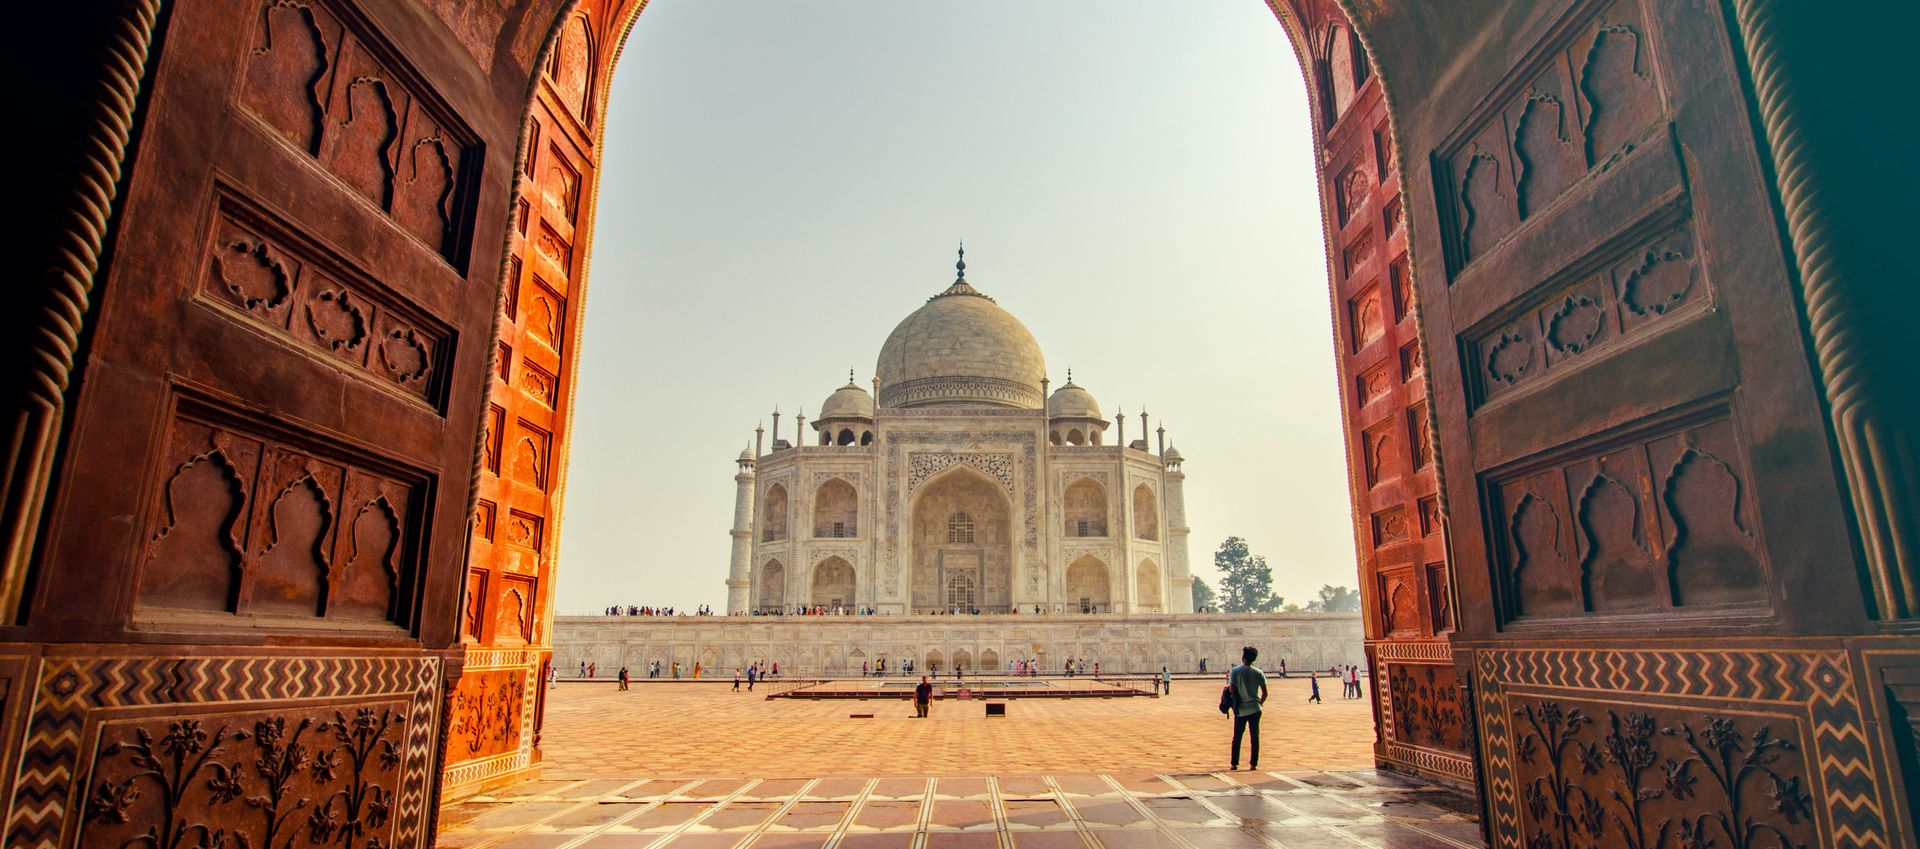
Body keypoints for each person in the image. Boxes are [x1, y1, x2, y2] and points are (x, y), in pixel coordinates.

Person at [1227, 646, 1269, 771]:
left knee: (1237, 737)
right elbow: (1265, 693)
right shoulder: (1258, 672)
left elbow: (1232, 689)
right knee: (1254, 737)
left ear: (1243, 657)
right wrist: (1260, 704)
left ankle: (1234, 763)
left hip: (1240, 710)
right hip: (1255, 709)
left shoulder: (1235, 671)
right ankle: (1253, 764)